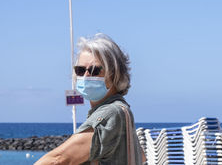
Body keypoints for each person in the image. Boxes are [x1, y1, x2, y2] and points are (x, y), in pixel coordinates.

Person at [35, 34, 144, 165]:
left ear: (114, 74)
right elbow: (142, 156)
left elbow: (57, 159)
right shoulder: (122, 110)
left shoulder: (111, 113)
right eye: (80, 70)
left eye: (94, 70)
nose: (85, 76)